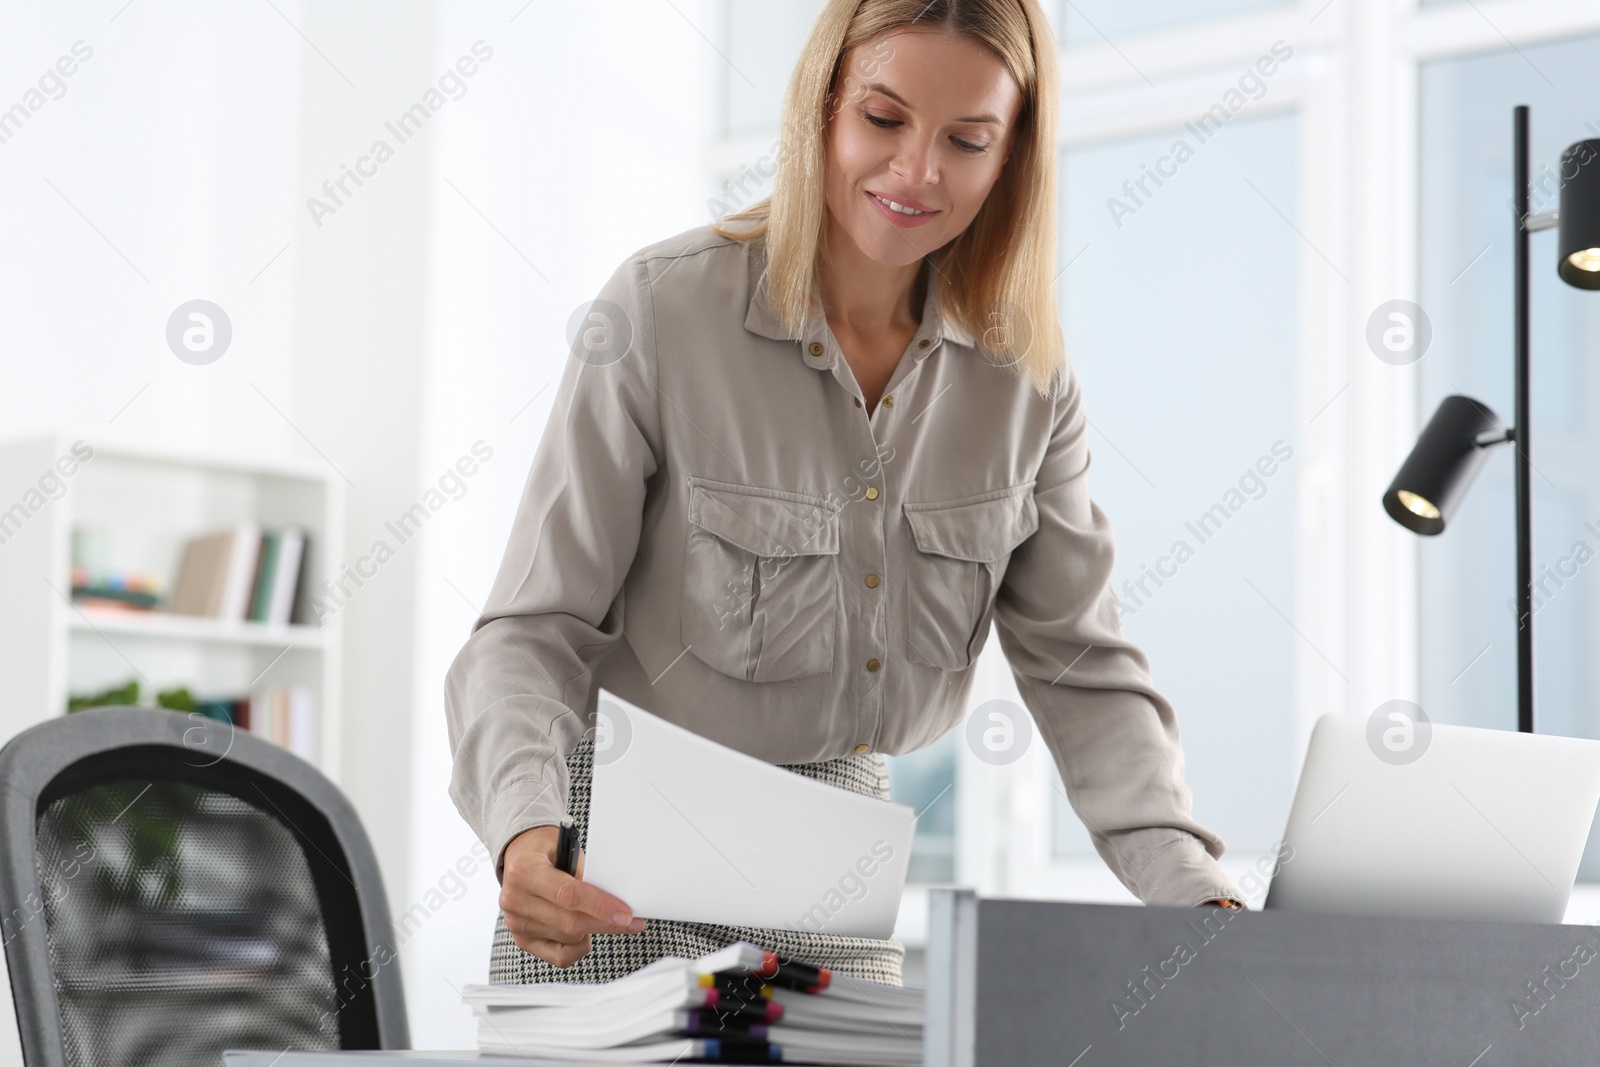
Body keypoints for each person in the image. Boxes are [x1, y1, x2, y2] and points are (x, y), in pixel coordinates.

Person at [444, 0, 1244, 989]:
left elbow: (1081, 668)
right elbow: (530, 628)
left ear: (1011, 158)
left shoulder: (1025, 378)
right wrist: (525, 829)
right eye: (882, 118)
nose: (918, 173)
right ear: (819, 109)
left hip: (836, 894)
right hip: (611, 885)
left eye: (968, 139)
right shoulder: (660, 310)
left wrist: (1199, 897)